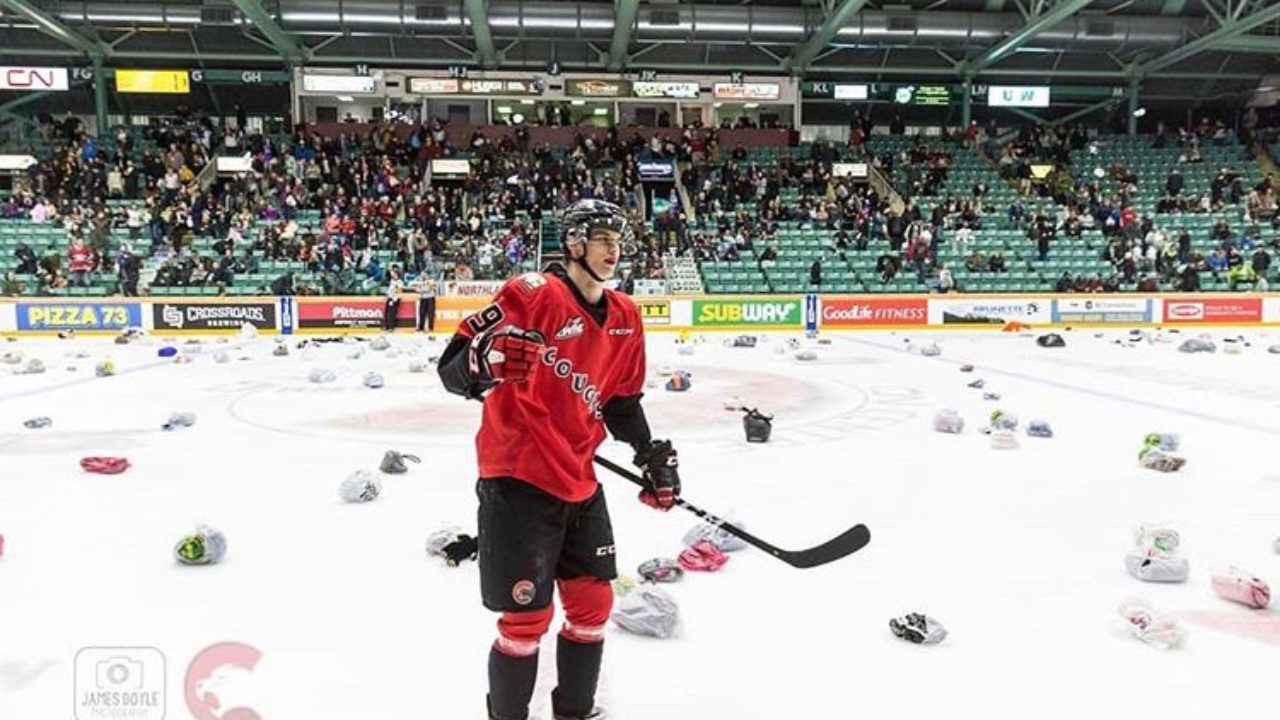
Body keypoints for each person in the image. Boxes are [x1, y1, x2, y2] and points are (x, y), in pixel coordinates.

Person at [437, 199, 680, 720]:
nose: (614, 248)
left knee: (593, 610)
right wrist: (487, 362)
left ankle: (575, 712)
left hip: (579, 480)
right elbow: (452, 367)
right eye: (601, 238)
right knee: (525, 623)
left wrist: (649, 456)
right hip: (518, 476)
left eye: (618, 238)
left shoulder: (626, 315)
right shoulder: (532, 294)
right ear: (573, 244)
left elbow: (620, 402)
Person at [383, 265, 404, 332]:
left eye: (392, 272)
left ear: (396, 273)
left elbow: (399, 292)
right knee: (386, 312)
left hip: (394, 299)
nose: (391, 273)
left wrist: (394, 300)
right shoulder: (392, 280)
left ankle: (391, 327)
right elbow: (390, 289)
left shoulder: (399, 282)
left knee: (391, 313)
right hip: (389, 298)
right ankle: (386, 326)